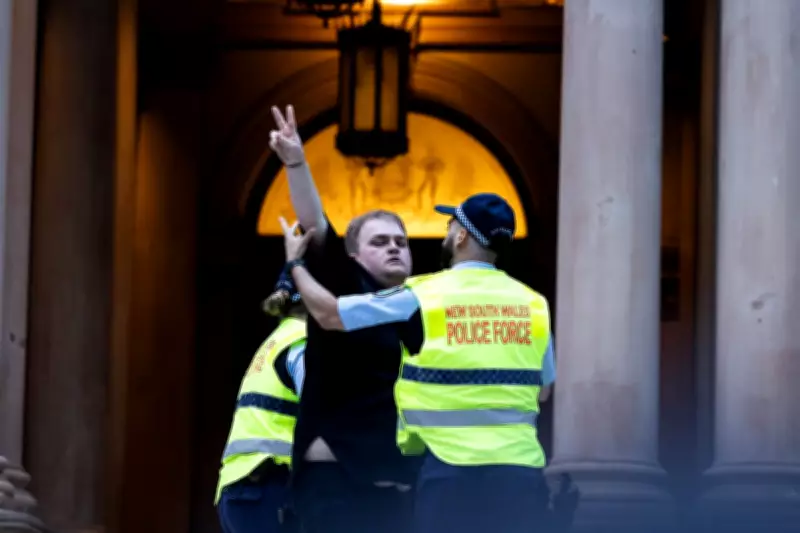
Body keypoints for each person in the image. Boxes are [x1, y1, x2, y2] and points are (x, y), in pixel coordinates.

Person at [281, 192, 556, 533]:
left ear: (461, 236)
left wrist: (295, 266)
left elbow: (330, 314)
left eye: (450, 225)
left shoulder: (424, 293)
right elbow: (544, 391)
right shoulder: (533, 303)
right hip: (520, 472)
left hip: (450, 472)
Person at [268, 105, 417, 533]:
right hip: (335, 483)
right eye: (380, 242)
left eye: (401, 241)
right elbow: (315, 225)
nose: (394, 247)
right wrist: (296, 163)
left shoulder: (419, 302)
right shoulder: (347, 283)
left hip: (390, 484)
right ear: (353, 255)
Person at [215, 270, 307, 533]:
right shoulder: (303, 343)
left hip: (242, 490)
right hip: (270, 490)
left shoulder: (278, 339)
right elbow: (324, 410)